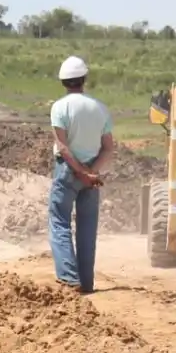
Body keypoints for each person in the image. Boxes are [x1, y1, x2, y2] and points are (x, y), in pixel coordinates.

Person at [48, 56, 115, 293]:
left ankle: (68, 279)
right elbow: (108, 147)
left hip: (67, 171)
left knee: (59, 222)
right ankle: (86, 283)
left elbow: (63, 147)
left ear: (64, 82)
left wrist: (79, 172)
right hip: (91, 173)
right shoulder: (100, 108)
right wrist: (91, 172)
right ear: (84, 79)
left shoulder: (60, 107)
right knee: (87, 228)